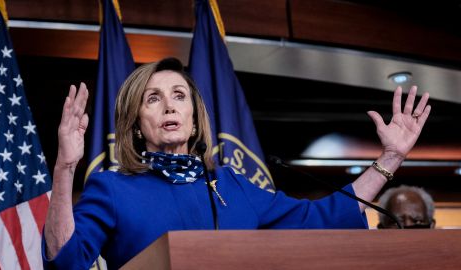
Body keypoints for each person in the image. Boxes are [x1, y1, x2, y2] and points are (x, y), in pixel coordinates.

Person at [42, 57, 431, 269]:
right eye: (153, 98)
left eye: (178, 95)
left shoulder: (231, 184)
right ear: (137, 125)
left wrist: (391, 157)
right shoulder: (113, 189)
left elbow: (324, 217)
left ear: (194, 116)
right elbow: (64, 261)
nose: (169, 105)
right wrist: (64, 168)